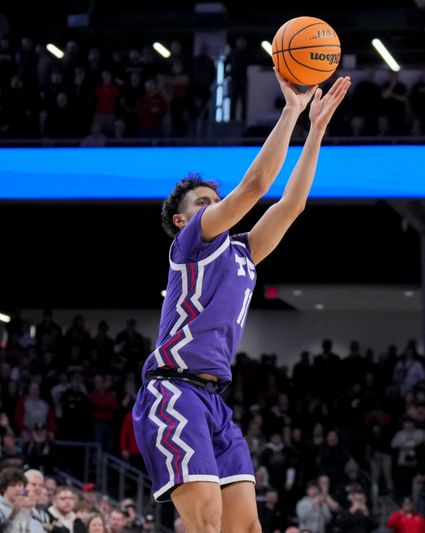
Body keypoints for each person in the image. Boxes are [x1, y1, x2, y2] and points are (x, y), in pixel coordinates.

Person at [131, 70, 349, 533]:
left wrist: (316, 131)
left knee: (246, 528)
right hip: (173, 391)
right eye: (205, 201)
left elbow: (291, 205)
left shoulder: (243, 249)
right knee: (206, 523)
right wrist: (290, 111)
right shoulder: (191, 244)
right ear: (182, 218)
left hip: (214, 400)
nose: (215, 204)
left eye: (215, 198)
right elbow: (254, 187)